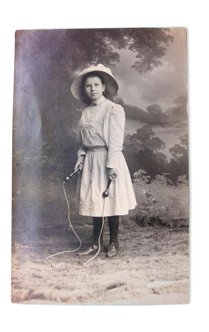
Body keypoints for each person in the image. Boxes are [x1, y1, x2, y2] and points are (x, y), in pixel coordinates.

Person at [70, 64, 137, 258]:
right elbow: (84, 141)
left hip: (109, 159)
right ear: (85, 89)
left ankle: (113, 243)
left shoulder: (113, 109)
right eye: (88, 86)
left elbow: (116, 141)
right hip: (91, 160)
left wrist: (111, 166)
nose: (92, 89)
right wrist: (81, 157)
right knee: (95, 201)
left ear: (103, 86)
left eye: (96, 85)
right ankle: (95, 243)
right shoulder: (86, 112)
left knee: (111, 200)